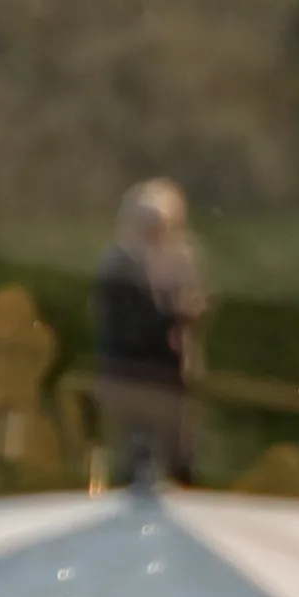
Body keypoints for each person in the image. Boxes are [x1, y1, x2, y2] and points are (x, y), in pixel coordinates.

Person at [92, 181, 207, 486]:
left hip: (171, 379)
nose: (158, 232)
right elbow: (129, 323)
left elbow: (196, 302)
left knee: (179, 460)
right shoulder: (118, 265)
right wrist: (175, 314)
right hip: (132, 377)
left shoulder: (181, 260)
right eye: (151, 224)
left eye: (164, 225)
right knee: (134, 464)